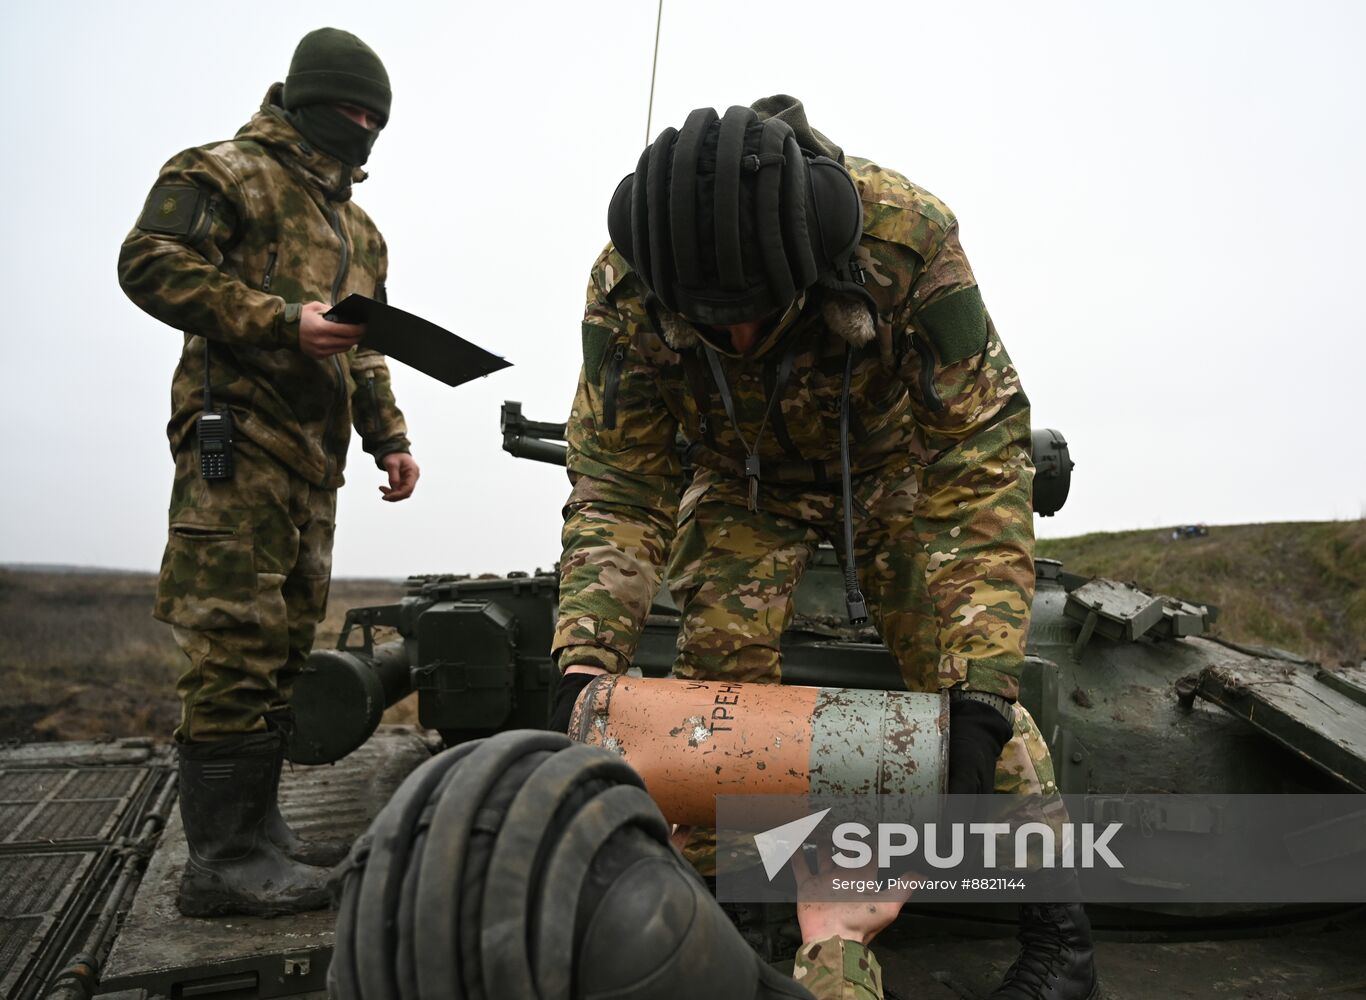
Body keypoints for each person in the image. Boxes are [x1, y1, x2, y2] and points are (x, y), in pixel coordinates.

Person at [547, 97, 1097, 999]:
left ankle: (1060, 946)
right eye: (713, 324)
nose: (738, 342)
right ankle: (730, 918)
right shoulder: (627, 286)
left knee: (975, 699)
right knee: (714, 693)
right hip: (739, 486)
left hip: (896, 478)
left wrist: (982, 689)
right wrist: (584, 662)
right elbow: (620, 478)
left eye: (759, 315)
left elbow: (980, 449)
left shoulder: (906, 241)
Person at [117, 27, 418, 917]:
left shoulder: (360, 229)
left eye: (377, 119)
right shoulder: (224, 172)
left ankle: (260, 834)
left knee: (285, 645)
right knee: (232, 646)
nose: (360, 127)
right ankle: (222, 863)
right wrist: (280, 319)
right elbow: (149, 263)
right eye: (347, 111)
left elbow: (366, 348)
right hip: (236, 442)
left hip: (312, 461)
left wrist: (389, 438)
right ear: (302, 99)